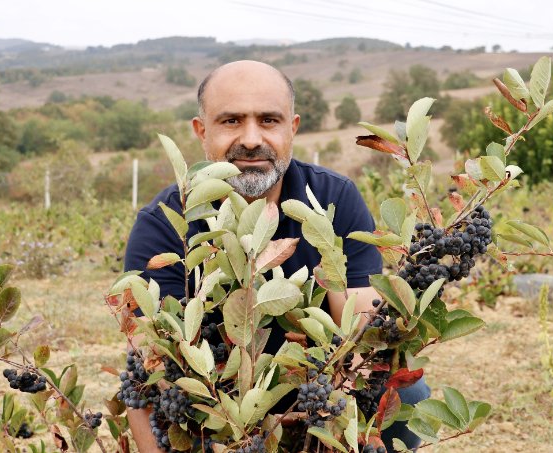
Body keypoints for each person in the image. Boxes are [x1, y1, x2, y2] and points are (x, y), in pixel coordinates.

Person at [123, 60, 428, 453]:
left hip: (313, 395)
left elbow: (362, 339)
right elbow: (149, 364)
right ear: (202, 131)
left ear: (293, 128)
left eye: (269, 120)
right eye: (231, 121)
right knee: (144, 385)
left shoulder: (333, 198)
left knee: (404, 388)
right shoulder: (166, 225)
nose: (251, 139)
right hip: (214, 409)